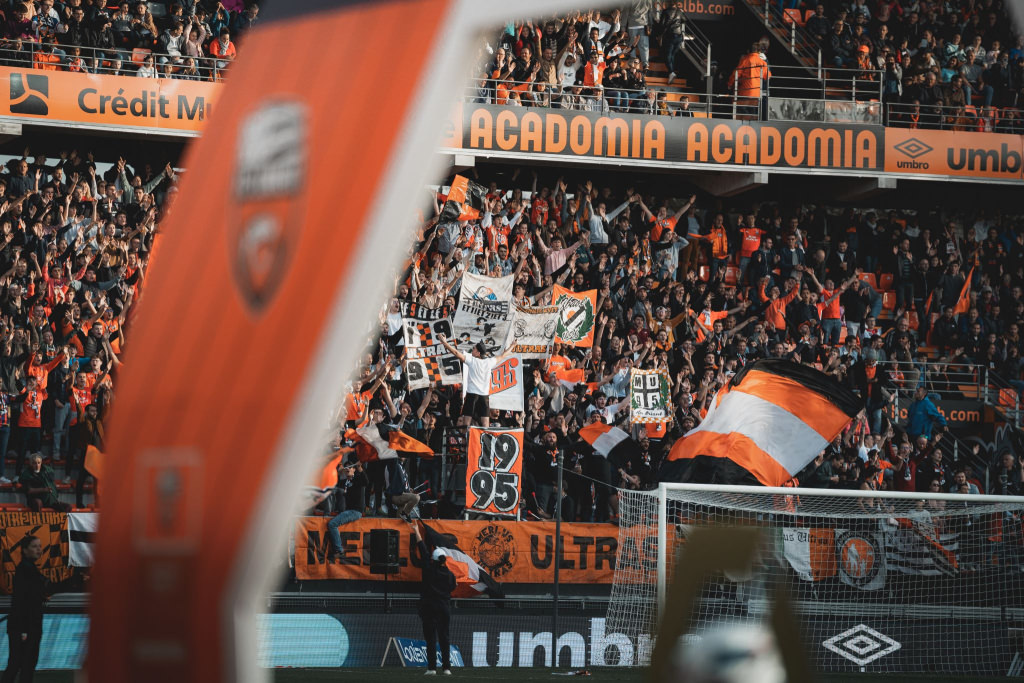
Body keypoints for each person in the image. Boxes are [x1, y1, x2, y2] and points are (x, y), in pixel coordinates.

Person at [436, 333, 512, 428]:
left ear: (478, 353)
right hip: (484, 395)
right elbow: (503, 355)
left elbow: (456, 353)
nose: (472, 350)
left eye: (474, 349)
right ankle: (484, 440)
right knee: (485, 424)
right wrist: (512, 346)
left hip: (472, 394)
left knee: (466, 423)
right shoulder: (489, 362)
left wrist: (444, 343)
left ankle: (465, 440)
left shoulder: (472, 360)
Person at [411, 522, 455, 675]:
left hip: (429, 607)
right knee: (445, 638)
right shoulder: (450, 575)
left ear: (434, 559)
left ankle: (431, 668)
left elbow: (423, 551)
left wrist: (416, 531)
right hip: (444, 607)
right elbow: (452, 588)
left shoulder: (429, 570)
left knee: (431, 638)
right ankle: (447, 668)